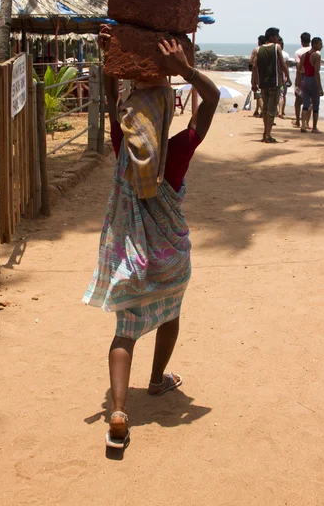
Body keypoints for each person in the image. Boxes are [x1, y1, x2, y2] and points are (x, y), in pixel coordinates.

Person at [83, 27, 220, 449]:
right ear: (164, 116)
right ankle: (159, 378)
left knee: (126, 331)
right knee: (170, 312)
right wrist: (184, 70)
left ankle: (119, 411)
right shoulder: (177, 152)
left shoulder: (124, 144)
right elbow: (213, 99)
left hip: (132, 257)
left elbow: (111, 101)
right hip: (171, 255)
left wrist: (111, 61)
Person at [251, 27, 291, 143]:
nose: (278, 38)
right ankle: (268, 135)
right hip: (275, 82)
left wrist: (254, 82)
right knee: (271, 109)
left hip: (263, 83)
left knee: (265, 109)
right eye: (277, 36)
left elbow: (254, 66)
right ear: (272, 37)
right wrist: (287, 77)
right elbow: (282, 64)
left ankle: (265, 132)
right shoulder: (276, 47)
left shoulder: (258, 49)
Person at [297, 37, 324, 133]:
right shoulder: (316, 56)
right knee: (316, 104)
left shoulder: (304, 55)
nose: (322, 46)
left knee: (305, 104)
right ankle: (314, 127)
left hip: (306, 80)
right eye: (320, 44)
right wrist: (320, 88)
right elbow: (316, 72)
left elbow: (299, 68)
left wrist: (300, 81)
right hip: (313, 80)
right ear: (315, 44)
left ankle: (303, 125)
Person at [292, 32, 312, 127]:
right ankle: (307, 122)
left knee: (298, 101)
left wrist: (298, 81)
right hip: (312, 78)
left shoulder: (298, 52)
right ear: (310, 41)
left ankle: (297, 120)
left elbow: (298, 68)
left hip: (302, 77)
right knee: (310, 101)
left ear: (301, 41)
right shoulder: (315, 52)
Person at [249, 35, 266, 117]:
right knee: (264, 94)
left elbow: (251, 61)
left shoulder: (256, 49)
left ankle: (263, 112)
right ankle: (257, 110)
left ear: (259, 41)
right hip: (267, 74)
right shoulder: (269, 49)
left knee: (258, 94)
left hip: (258, 73)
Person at [277, 38, 290, 118]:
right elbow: (286, 67)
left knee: (280, 94)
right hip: (282, 78)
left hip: (279, 78)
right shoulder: (285, 54)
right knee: (282, 94)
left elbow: (286, 67)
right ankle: (281, 111)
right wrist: (287, 77)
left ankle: (280, 111)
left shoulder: (275, 53)